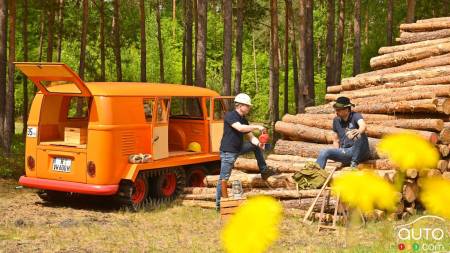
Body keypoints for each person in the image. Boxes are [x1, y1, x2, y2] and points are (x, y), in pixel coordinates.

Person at [215, 93, 277, 210]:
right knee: (223, 179)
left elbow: (250, 136)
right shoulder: (230, 116)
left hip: (238, 148)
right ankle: (219, 205)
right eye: (247, 106)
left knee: (255, 146)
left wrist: (259, 143)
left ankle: (264, 170)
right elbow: (240, 128)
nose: (249, 108)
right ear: (239, 106)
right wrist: (257, 126)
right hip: (228, 152)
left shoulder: (244, 119)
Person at [316, 96, 370, 169]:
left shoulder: (356, 116)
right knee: (324, 152)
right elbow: (336, 140)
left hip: (361, 152)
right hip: (346, 151)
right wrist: (336, 153)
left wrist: (358, 131)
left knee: (359, 134)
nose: (336, 112)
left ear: (347, 109)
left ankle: (354, 162)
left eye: (339, 110)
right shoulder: (336, 120)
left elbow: (363, 126)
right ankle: (316, 174)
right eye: (336, 109)